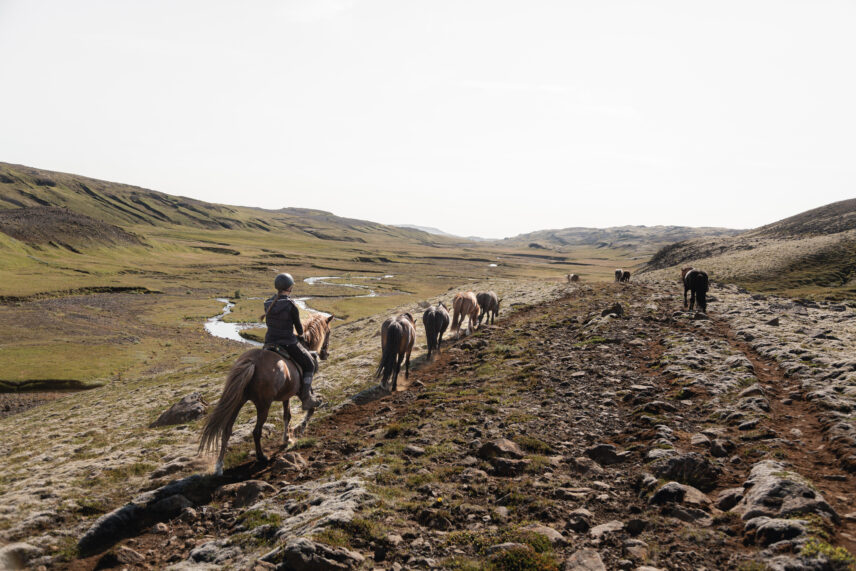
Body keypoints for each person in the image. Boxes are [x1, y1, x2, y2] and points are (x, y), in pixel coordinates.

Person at [261, 273, 324, 410]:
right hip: (287, 342)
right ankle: (306, 398)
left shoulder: (267, 303)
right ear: (289, 288)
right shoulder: (290, 304)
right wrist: (300, 334)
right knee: (310, 364)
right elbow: (299, 330)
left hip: (269, 342)